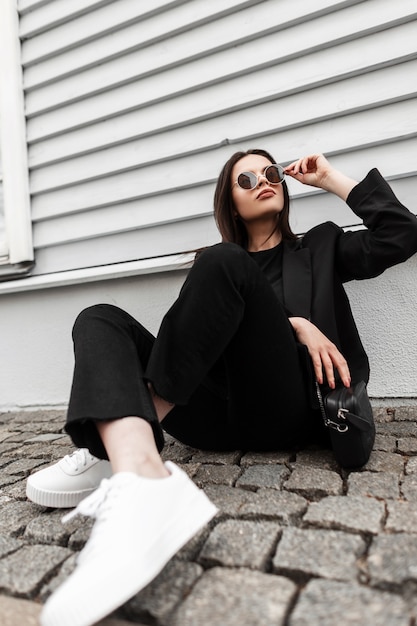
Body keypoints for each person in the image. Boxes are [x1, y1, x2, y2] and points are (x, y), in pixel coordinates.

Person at [28, 151, 417, 626]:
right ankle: (128, 459)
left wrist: (332, 179)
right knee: (99, 318)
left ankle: (132, 459)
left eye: (271, 174)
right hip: (209, 416)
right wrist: (296, 322)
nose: (262, 182)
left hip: (286, 408)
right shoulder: (213, 267)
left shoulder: (320, 247)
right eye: (246, 179)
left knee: (225, 261)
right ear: (231, 202)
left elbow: (403, 234)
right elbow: (186, 350)